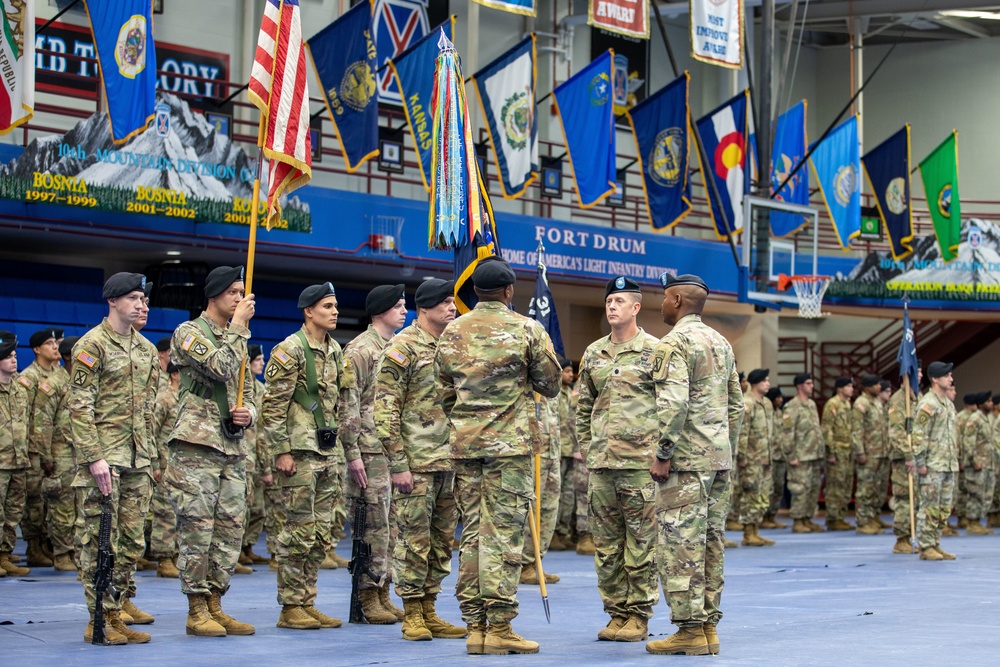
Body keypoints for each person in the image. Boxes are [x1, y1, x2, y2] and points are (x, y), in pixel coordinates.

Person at [436, 256, 561, 655]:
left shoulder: (451, 331)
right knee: (504, 534)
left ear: (474, 292)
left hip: (465, 447)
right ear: (509, 291)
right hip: (511, 449)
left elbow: (442, 390)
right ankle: (500, 626)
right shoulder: (526, 329)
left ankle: (474, 626)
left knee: (472, 533)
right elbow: (551, 383)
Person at [646, 273, 743, 657]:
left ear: (678, 300)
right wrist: (724, 450)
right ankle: (707, 626)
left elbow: (674, 404)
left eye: (666, 298)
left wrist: (663, 453)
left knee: (679, 543)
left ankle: (688, 629)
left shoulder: (674, 343)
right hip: (717, 459)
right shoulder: (721, 342)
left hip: (685, 464)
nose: (662, 304)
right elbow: (736, 405)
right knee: (711, 542)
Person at [68, 273, 160, 644]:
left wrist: (152, 457)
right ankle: (98, 619)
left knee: (131, 542)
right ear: (113, 301)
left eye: (143, 298)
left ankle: (115, 611)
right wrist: (93, 457)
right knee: (98, 541)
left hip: (139, 460)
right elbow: (79, 406)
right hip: (105, 461)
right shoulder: (92, 345)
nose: (141, 304)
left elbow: (149, 409)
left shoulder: (146, 349)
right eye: (134, 298)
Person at [261, 282, 358, 630]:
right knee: (298, 531)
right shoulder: (290, 350)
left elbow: (342, 402)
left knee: (322, 532)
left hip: (328, 451)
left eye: (335, 306)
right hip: (300, 452)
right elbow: (272, 407)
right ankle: (290, 606)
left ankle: (307, 599)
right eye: (327, 306)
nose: (334, 311)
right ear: (308, 311)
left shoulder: (335, 350)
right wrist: (280, 451)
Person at [167, 265, 256, 636]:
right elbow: (221, 367)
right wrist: (238, 326)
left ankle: (216, 603)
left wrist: (248, 413)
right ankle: (195, 607)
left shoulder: (238, 337)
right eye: (234, 293)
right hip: (196, 445)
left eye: (242, 293)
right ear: (215, 295)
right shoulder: (189, 333)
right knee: (197, 529)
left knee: (229, 529)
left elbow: (248, 388)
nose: (240, 299)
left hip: (231, 445)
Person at [375, 278, 466, 641]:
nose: (451, 308)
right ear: (423, 308)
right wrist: (398, 464)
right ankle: (411, 611)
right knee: (413, 541)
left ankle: (430, 608)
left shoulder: (453, 345)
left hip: (449, 461)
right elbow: (384, 409)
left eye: (453, 302)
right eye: (444, 302)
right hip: (415, 463)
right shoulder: (404, 347)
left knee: (442, 541)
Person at [575, 276, 660, 642]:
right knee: (607, 547)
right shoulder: (593, 353)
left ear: (636, 307)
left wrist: (661, 454)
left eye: (620, 301)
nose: (612, 306)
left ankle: (639, 616)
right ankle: (616, 613)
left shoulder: (656, 351)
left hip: (641, 467)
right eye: (609, 300)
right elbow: (583, 409)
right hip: (602, 466)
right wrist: (589, 449)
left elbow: (670, 406)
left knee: (641, 544)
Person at [339, 284, 409, 623]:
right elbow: (348, 403)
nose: (403, 310)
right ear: (379, 310)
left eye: (404, 305)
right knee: (372, 526)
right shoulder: (360, 350)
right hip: (367, 449)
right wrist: (351, 451)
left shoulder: (395, 347)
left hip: (390, 448)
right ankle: (367, 594)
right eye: (397, 305)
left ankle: (383, 588)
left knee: (392, 524)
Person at [27, 329, 78, 572]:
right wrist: (45, 456)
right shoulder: (54, 383)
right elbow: (42, 422)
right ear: (70, 357)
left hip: (80, 454)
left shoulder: (81, 381)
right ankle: (62, 554)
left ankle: (76, 551)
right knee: (61, 507)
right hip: (60, 454)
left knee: (79, 507)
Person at [20, 328, 67, 568]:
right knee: (34, 500)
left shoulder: (60, 375)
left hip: (54, 445)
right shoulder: (29, 378)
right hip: (33, 447)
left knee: (50, 500)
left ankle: (48, 544)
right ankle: (34, 546)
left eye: (55, 343)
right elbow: (29, 417)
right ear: (37, 349)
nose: (54, 347)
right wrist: (34, 449)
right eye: (49, 343)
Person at [909, 361, 958, 561]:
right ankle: (926, 545)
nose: (951, 378)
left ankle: (935, 542)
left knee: (944, 508)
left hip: (947, 463)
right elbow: (919, 435)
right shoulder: (928, 403)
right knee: (929, 507)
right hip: (932, 465)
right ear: (935, 379)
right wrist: (920, 463)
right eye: (947, 375)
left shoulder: (946, 402)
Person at [0, 332, 31, 578]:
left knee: (12, 514)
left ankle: (4, 555)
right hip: (0, 462)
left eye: (14, 355)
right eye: (8, 356)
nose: (14, 360)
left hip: (18, 460)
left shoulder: (20, 389)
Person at [783, 373, 825, 533]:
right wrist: (791, 455)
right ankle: (798, 520)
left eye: (812, 383)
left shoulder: (812, 404)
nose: (812, 386)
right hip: (800, 455)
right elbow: (787, 433)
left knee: (813, 488)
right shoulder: (792, 406)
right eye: (808, 383)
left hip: (813, 454)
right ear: (799, 386)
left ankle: (807, 518)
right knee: (800, 489)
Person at [240, 345, 271, 565]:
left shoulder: (259, 389)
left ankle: (248, 546)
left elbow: (261, 428)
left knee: (257, 508)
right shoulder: (240, 387)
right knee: (241, 507)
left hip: (256, 455)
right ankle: (236, 552)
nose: (262, 363)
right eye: (258, 359)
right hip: (241, 454)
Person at [738, 369, 776, 547]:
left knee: (763, 495)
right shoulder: (747, 402)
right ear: (756, 383)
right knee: (751, 494)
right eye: (765, 381)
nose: (768, 384)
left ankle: (756, 530)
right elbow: (743, 432)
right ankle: (748, 532)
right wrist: (742, 456)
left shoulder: (767, 403)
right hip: (752, 458)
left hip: (765, 457)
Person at [150, 362, 181, 578]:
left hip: (183, 465)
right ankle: (164, 558)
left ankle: (178, 554)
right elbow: (151, 431)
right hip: (164, 463)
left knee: (181, 511)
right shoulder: (164, 398)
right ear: (175, 374)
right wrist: (153, 464)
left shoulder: (188, 399)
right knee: (164, 512)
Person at [887, 367, 922, 554]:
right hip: (904, 458)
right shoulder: (899, 400)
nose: (921, 375)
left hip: (917, 456)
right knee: (903, 498)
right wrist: (908, 454)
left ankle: (913, 534)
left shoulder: (917, 397)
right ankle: (901, 539)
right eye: (918, 371)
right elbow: (896, 431)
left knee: (915, 497)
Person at [852, 375, 890, 534]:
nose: (879, 387)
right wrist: (859, 451)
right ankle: (863, 522)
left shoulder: (876, 403)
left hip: (880, 451)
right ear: (867, 387)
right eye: (875, 385)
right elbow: (856, 430)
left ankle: (874, 516)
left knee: (878, 488)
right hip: (868, 453)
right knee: (865, 488)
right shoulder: (861, 403)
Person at [551, 357, 579, 551]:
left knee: (569, 495)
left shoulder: (571, 393)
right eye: (566, 371)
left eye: (571, 372)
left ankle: (563, 531)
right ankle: (551, 533)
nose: (570, 375)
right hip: (559, 450)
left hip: (572, 452)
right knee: (556, 495)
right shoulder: (554, 394)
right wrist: (557, 448)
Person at [822, 377, 855, 531]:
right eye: (848, 386)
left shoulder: (847, 404)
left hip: (847, 450)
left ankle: (841, 516)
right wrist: (830, 452)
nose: (852, 388)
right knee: (835, 485)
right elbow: (827, 429)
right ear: (840, 388)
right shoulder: (832, 404)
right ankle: (833, 518)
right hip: (837, 449)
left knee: (845, 485)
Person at [960, 391, 994, 535]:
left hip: (986, 462)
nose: (991, 404)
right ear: (981, 404)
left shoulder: (984, 418)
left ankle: (978, 521)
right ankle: (972, 523)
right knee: (975, 494)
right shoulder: (975, 419)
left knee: (985, 494)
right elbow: (968, 442)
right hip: (977, 464)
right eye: (989, 401)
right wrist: (974, 460)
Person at [762, 387, 788, 529]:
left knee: (779, 488)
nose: (780, 400)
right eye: (777, 397)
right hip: (769, 456)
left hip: (781, 456)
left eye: (781, 397)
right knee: (769, 488)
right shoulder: (767, 412)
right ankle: (763, 517)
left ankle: (772, 515)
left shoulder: (780, 413)